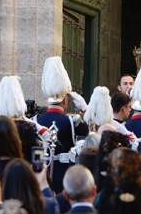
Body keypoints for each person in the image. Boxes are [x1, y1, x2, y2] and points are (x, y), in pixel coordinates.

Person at [34, 56, 89, 193]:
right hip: (64, 177)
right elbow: (92, 130)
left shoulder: (35, 120)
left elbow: (35, 151)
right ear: (65, 100)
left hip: (41, 175)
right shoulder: (72, 121)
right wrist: (85, 109)